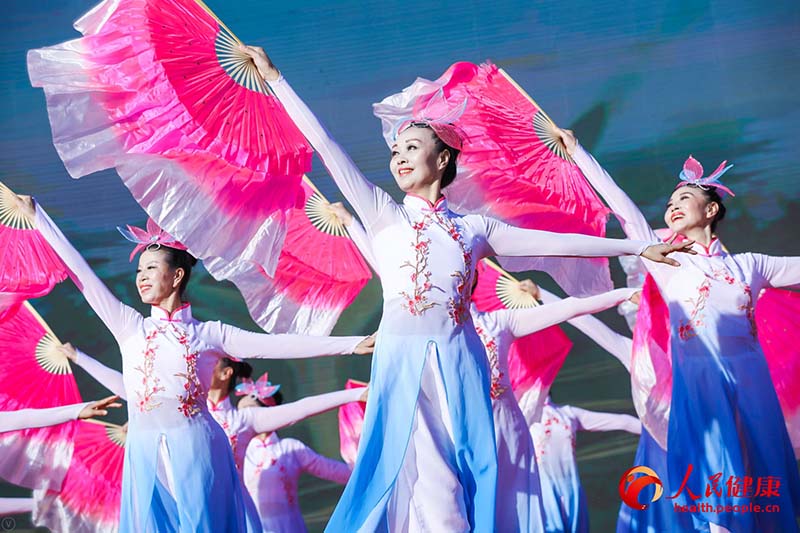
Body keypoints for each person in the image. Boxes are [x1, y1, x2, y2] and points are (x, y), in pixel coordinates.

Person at [236, 47, 689, 529]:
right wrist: (278, 80)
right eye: (395, 151)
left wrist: (635, 249)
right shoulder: (382, 215)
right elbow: (327, 147)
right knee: (424, 480)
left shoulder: (474, 230)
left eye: (411, 147)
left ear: (444, 157)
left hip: (460, 356)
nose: (399, 158)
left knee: (472, 469)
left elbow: (554, 240)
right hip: (402, 360)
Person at [14, 195, 374, 533]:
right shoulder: (130, 327)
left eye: (152, 267)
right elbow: (85, 280)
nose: (141, 276)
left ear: (177, 276)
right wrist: (39, 219)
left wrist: (352, 344)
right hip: (144, 449)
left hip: (197, 445)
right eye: (139, 269)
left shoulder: (209, 334)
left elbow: (278, 344)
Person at [557, 128, 800, 532]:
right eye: (670, 203)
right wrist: (578, 152)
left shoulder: (751, 265)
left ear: (711, 211)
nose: (672, 206)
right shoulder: (667, 261)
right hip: (702, 386)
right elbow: (622, 208)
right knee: (719, 486)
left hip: (751, 384)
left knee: (762, 483)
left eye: (684, 198)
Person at [241, 387, 353, 533]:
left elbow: (333, 470)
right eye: (240, 413)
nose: (243, 419)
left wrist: (367, 473)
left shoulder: (290, 448)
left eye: (250, 412)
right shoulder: (239, 451)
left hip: (290, 527)